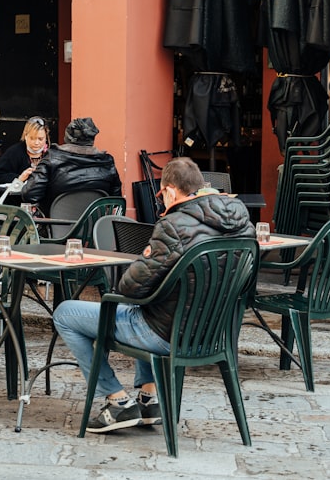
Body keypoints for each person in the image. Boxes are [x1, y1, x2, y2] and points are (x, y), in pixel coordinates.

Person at [53, 157, 254, 433]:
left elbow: (130, 288)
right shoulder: (243, 223)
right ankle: (148, 401)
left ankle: (117, 402)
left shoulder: (173, 225)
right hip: (213, 334)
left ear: (170, 192)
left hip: (165, 335)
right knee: (152, 304)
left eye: (162, 194)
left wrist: (143, 259)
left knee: (65, 313)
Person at [20, 116, 122, 215]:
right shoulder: (107, 162)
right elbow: (116, 201)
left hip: (57, 226)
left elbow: (30, 194)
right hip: (95, 227)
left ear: (67, 136)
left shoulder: (52, 158)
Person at [0, 116, 50, 186]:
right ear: (25, 136)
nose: (36, 143)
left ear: (46, 138)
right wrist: (20, 178)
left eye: (40, 139)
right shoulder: (14, 153)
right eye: (32, 138)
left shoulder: (51, 153)